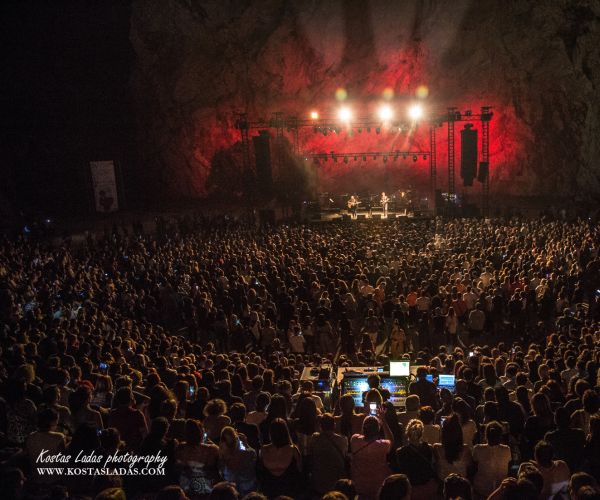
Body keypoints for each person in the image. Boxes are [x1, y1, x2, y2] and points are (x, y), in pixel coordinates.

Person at [350, 414, 393, 500]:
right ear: (378, 429)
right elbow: (391, 440)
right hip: (378, 484)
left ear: (363, 428)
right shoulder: (383, 445)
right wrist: (384, 421)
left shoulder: (355, 440)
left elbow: (358, 434)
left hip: (359, 484)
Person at [257, 418, 303, 499]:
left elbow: (260, 472)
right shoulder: (293, 450)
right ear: (286, 432)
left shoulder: (263, 450)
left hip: (269, 491)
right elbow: (300, 470)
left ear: (271, 433)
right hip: (288, 491)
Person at [394, 419, 437, 500]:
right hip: (427, 486)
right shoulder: (429, 448)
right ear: (421, 433)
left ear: (407, 433)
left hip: (411, 488)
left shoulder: (400, 452)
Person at [176, 419, 220, 498]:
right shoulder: (211, 449)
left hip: (186, 489)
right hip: (204, 489)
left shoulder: (180, 448)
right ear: (201, 433)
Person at [308, 413, 349, 496]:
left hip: (318, 481)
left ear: (321, 426)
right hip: (336, 482)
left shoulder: (314, 439)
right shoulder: (342, 440)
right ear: (334, 425)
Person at [471, 421, 511, 498]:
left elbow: (474, 468)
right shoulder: (507, 449)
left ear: (486, 435)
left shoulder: (477, 449)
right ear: (500, 436)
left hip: (480, 489)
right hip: (500, 490)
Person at [432, 414, 473, 482]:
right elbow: (470, 468)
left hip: (443, 484)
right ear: (459, 432)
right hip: (461, 485)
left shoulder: (437, 448)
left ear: (444, 432)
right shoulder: (466, 449)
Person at [218, 426, 257, 496]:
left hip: (231, 493)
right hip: (248, 492)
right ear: (237, 439)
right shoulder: (248, 454)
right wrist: (246, 444)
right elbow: (254, 455)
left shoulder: (221, 457)